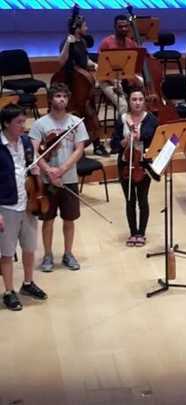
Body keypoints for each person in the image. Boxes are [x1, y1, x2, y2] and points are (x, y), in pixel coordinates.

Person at [29, 83, 89, 272]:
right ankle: (47, 255)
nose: (61, 99)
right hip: (47, 181)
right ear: (50, 99)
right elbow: (34, 152)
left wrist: (62, 169)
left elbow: (79, 149)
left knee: (69, 219)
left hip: (69, 178)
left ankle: (68, 253)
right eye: (57, 96)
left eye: (64, 96)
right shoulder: (40, 124)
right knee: (48, 220)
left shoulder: (76, 122)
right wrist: (49, 171)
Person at [0, 104, 48, 311]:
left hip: (29, 203)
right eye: (19, 122)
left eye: (24, 121)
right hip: (6, 206)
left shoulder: (27, 142)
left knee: (29, 248)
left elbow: (33, 167)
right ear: (6, 124)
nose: (23, 126)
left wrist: (37, 170)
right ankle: (9, 292)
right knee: (7, 253)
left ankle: (28, 283)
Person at [110, 88, 158, 248]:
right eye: (134, 99)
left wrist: (140, 136)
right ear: (129, 102)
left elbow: (154, 139)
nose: (137, 102)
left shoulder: (151, 119)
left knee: (142, 200)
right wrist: (124, 141)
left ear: (144, 101)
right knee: (130, 200)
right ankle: (133, 232)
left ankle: (141, 233)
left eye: (140, 99)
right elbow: (113, 145)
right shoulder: (122, 119)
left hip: (143, 164)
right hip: (126, 163)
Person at [58, 11, 108, 156]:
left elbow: (85, 60)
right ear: (77, 28)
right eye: (84, 25)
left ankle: (96, 143)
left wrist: (95, 65)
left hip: (83, 86)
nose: (86, 27)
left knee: (90, 113)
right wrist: (68, 42)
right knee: (82, 114)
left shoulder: (82, 42)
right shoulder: (66, 42)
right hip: (70, 85)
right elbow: (62, 61)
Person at [98, 14, 140, 118]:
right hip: (108, 80)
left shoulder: (131, 43)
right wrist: (115, 82)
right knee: (123, 105)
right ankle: (122, 130)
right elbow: (102, 68)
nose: (124, 29)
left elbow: (136, 65)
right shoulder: (106, 43)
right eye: (120, 27)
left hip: (126, 78)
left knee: (140, 98)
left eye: (126, 26)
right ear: (115, 27)